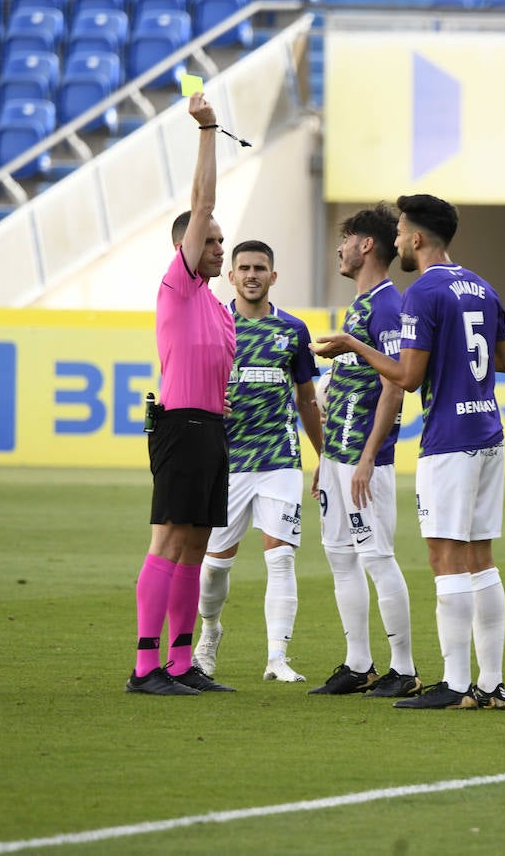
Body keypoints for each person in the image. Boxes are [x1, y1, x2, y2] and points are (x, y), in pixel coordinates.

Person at [314, 193, 505, 711]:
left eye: (401, 231)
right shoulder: (482, 285)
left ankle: (452, 684)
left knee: (445, 558)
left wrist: (353, 346)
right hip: (489, 433)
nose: (397, 239)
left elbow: (407, 376)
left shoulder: (423, 291)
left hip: (449, 441)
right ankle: (490, 685)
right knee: (481, 558)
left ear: (418, 237)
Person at [126, 92, 237, 696]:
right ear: (189, 248)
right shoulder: (179, 285)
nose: (218, 248)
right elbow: (203, 201)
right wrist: (209, 130)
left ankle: (178, 663)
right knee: (170, 540)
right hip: (180, 427)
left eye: (219, 241)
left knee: (196, 547)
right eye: (212, 242)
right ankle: (144, 668)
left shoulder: (218, 310)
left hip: (210, 432)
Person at [192, 240, 324, 684]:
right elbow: (185, 382)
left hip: (279, 458)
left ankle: (277, 657)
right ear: (231, 276)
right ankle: (209, 632)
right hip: (227, 461)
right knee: (215, 566)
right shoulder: (213, 324)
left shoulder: (292, 330)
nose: (252, 275)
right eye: (244, 267)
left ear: (273, 275)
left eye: (260, 268)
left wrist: (323, 455)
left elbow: (307, 398)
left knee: (281, 558)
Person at [308, 203, 419, 698]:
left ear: (365, 245)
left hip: (364, 461)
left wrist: (369, 456)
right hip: (338, 457)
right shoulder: (360, 304)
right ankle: (359, 664)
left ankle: (405, 669)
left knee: (376, 556)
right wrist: (326, 460)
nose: (340, 248)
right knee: (339, 556)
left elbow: (396, 384)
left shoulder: (389, 305)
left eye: (347, 238)